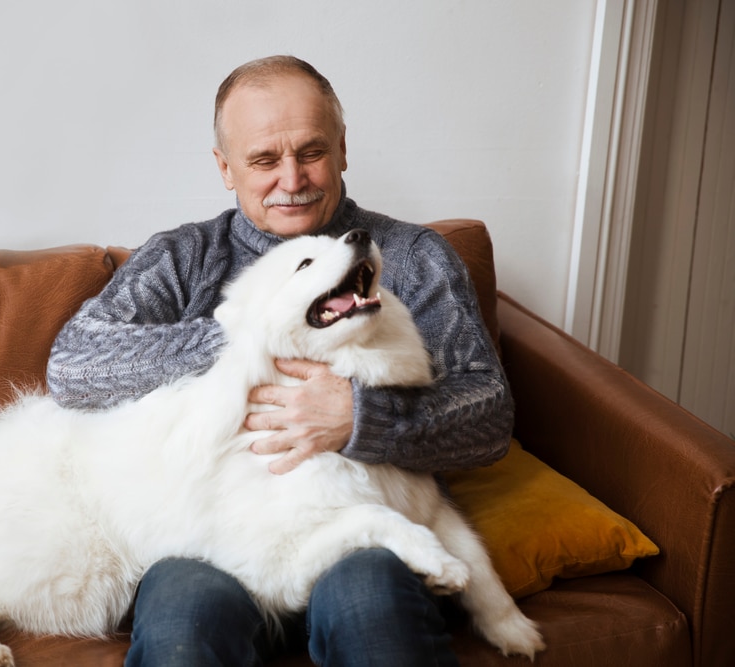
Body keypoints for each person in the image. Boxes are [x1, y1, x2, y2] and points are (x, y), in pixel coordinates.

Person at [47, 55, 513, 667]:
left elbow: (489, 415)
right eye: (264, 160)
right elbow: (72, 368)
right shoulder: (185, 257)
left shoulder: (413, 255)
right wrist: (254, 336)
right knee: (181, 627)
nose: (292, 179)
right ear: (224, 167)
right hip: (213, 546)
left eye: (311, 152)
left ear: (343, 149)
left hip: (363, 531)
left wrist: (362, 417)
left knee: (375, 609)